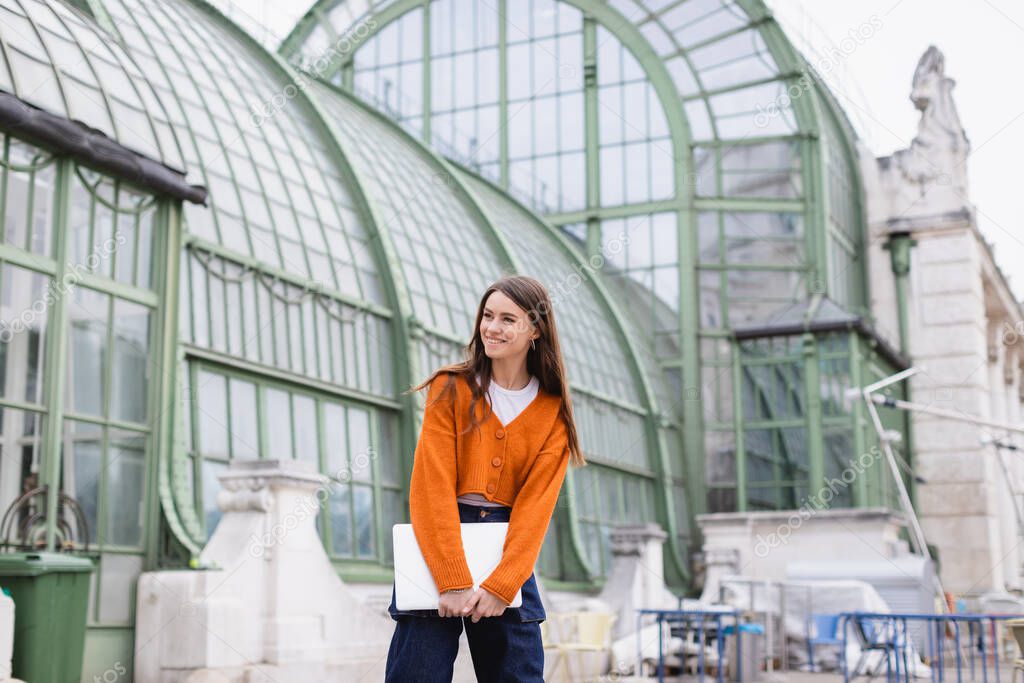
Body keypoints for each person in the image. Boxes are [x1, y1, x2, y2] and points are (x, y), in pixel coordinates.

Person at [385, 275, 586, 682]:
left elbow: (536, 509)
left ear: (536, 329)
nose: (492, 327)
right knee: (416, 673)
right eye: (488, 315)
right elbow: (431, 486)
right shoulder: (450, 388)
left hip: (509, 548)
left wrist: (503, 585)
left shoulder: (553, 412)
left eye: (508, 319)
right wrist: (452, 577)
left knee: (518, 674)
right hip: (438, 538)